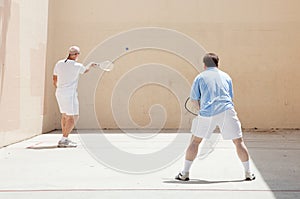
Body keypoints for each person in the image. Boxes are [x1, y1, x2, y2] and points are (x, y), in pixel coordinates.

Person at [175, 53, 255, 181]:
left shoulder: (200, 77)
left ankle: (184, 173)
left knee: (195, 142)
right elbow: (230, 97)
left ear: (205, 64)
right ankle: (248, 173)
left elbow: (194, 100)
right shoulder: (226, 76)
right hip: (227, 110)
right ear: (217, 63)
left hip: (207, 113)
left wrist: (201, 109)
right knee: (239, 142)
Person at [53, 46, 96, 147]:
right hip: (70, 95)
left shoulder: (59, 63)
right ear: (76, 55)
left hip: (59, 92)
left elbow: (54, 79)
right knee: (74, 117)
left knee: (64, 115)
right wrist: (90, 65)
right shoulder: (77, 66)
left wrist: (59, 88)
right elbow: (85, 70)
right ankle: (64, 140)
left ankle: (65, 138)